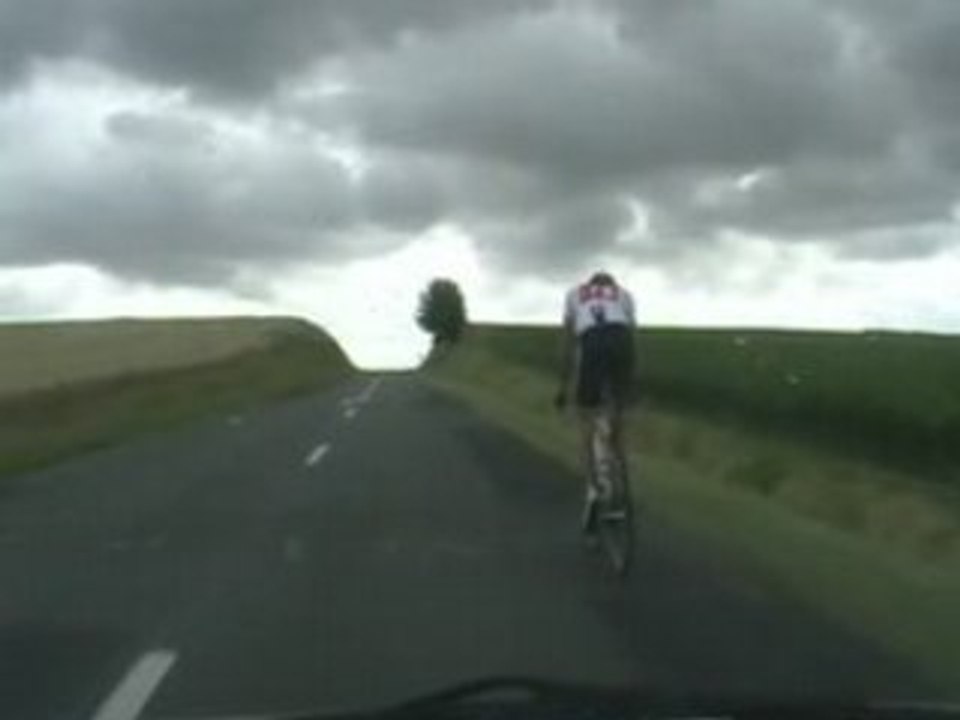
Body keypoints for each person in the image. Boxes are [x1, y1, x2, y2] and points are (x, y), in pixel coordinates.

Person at [555, 271, 637, 538]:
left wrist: (563, 386)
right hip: (622, 341)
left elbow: (568, 344)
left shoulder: (574, 294)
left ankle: (594, 490)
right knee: (617, 417)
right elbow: (631, 336)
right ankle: (618, 470)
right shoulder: (624, 295)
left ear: (590, 285)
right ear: (611, 286)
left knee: (586, 419)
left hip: (592, 343)